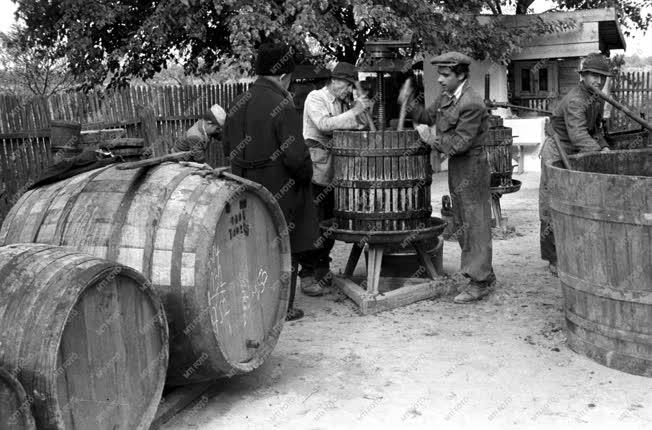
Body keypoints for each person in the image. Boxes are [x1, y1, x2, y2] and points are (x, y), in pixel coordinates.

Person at [222, 42, 319, 321]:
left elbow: (228, 147)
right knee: (285, 245)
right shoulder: (283, 105)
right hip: (279, 188)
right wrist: (305, 177)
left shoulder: (237, 102)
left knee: (250, 245)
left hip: (242, 187)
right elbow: (296, 158)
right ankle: (283, 308)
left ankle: (253, 303)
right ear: (285, 76)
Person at [399, 51, 494, 303]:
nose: (440, 80)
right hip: (458, 166)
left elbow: (461, 143)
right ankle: (482, 272)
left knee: (475, 221)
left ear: (460, 75)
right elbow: (427, 116)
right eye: (439, 74)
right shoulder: (446, 96)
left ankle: (479, 282)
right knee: (462, 218)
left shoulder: (471, 102)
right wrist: (408, 102)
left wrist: (432, 139)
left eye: (445, 75)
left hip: (472, 165)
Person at [300, 62, 373, 296]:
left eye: (352, 85)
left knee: (332, 221)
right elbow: (324, 125)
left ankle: (323, 268)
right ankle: (307, 274)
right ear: (334, 80)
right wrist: (353, 112)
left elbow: (360, 126)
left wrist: (361, 111)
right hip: (318, 168)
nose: (348, 89)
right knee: (315, 222)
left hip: (339, 171)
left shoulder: (344, 102)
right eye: (347, 84)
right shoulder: (316, 98)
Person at [539, 53, 611, 276]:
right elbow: (579, 135)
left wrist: (605, 147)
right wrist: (600, 153)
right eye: (593, 76)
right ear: (583, 76)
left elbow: (595, 130)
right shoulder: (575, 100)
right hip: (557, 152)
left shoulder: (596, 98)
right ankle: (554, 259)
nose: (598, 81)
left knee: (577, 204)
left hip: (578, 152)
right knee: (551, 205)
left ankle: (576, 252)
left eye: (602, 77)